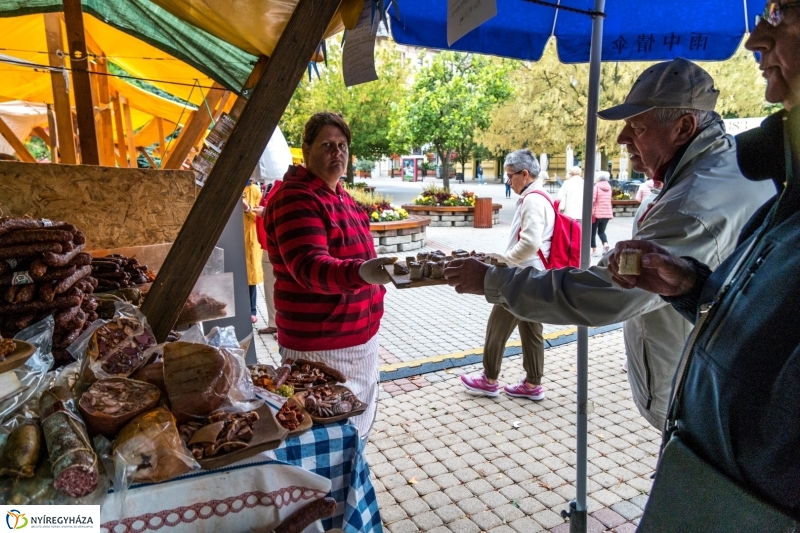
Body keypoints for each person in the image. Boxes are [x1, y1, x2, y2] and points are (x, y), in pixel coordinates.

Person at [442, 59, 775, 430]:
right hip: (716, 381)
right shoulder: (730, 168)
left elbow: (605, 295)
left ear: (683, 128)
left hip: (697, 397)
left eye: (638, 127)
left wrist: (491, 279)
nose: (621, 139)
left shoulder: (693, 204)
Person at [608, 2, 800, 516]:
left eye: (782, 12)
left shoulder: (704, 196)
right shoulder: (786, 187)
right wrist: (694, 286)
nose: (755, 37)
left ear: (684, 126)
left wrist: (497, 281)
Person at [263, 112, 394, 439]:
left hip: (360, 343)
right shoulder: (295, 197)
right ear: (306, 150)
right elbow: (310, 268)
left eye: (342, 146)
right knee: (323, 439)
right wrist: (365, 273)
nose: (337, 152)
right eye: (327, 145)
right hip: (319, 349)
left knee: (355, 436)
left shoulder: (344, 198)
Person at [461, 149, 554, 400]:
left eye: (510, 176)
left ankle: (489, 379)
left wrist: (503, 261)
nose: (508, 181)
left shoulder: (532, 199)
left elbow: (530, 243)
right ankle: (533, 384)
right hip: (536, 275)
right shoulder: (542, 196)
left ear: (525, 174)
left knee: (497, 327)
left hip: (520, 275)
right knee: (531, 329)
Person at [242, 178, 264, 324]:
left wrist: (247, 208)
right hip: (237, 235)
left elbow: (260, 214)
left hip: (250, 238)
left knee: (250, 276)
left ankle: (252, 310)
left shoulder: (254, 190)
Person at [591, 172, 614, 255]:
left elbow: (592, 200)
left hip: (596, 213)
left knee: (592, 232)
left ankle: (594, 250)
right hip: (607, 213)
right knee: (601, 231)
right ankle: (605, 244)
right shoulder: (609, 187)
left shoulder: (596, 187)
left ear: (599, 178)